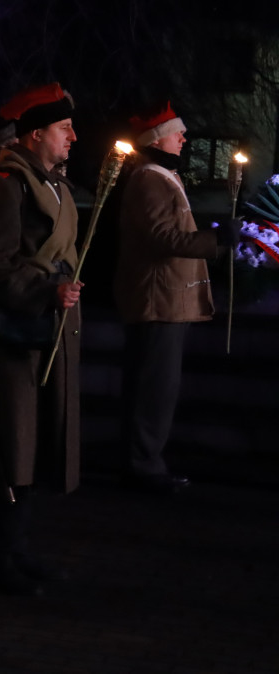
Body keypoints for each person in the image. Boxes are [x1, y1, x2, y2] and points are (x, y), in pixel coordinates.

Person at [0, 83, 83, 595]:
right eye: (63, 129)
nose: (73, 137)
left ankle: (17, 549)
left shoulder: (51, 181)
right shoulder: (6, 182)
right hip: (13, 334)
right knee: (10, 445)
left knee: (31, 446)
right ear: (36, 135)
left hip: (44, 331)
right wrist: (45, 291)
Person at [114, 102, 237, 495]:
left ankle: (142, 462)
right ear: (156, 139)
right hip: (159, 300)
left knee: (154, 386)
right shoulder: (151, 179)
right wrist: (216, 240)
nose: (183, 138)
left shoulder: (160, 176)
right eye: (176, 132)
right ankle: (143, 466)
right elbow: (162, 238)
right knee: (155, 388)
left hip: (163, 298)